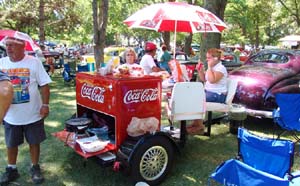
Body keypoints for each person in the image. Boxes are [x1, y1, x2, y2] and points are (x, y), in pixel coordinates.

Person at [0, 37, 52, 185]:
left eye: (12, 45)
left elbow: (44, 85)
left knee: (34, 142)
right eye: (7, 45)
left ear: (22, 46)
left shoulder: (33, 62)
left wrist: (46, 105)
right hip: (10, 114)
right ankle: (11, 169)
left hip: (33, 113)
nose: (8, 48)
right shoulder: (1, 63)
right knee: (11, 143)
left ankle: (35, 167)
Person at [187, 48, 228, 135]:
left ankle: (199, 125)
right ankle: (196, 123)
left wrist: (209, 67)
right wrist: (200, 70)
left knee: (198, 99)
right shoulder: (213, 67)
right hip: (210, 93)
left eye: (209, 58)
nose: (207, 60)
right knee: (193, 96)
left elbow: (213, 80)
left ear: (215, 58)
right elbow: (204, 79)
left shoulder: (221, 68)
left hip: (218, 95)